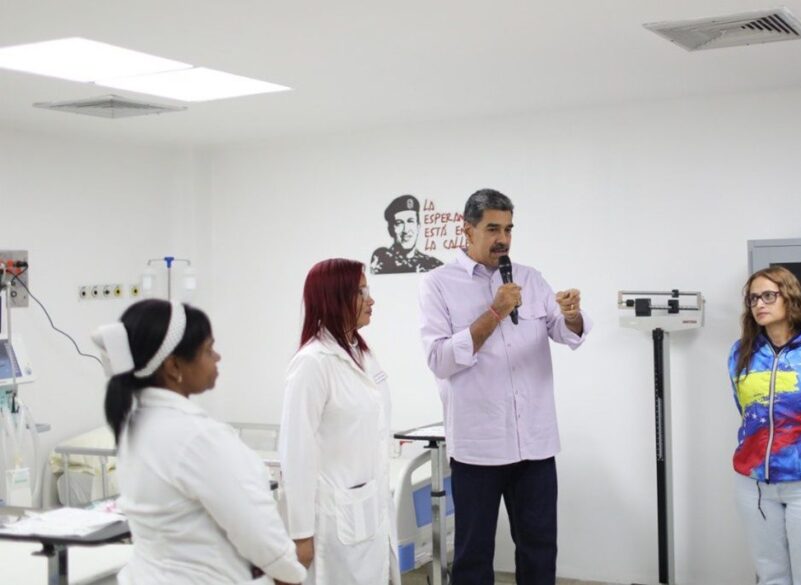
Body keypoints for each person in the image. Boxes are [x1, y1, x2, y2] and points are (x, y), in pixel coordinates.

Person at [418, 188, 592, 585]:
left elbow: (565, 332)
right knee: (473, 556)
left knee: (539, 551)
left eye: (509, 229)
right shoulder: (438, 284)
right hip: (478, 446)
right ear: (468, 230)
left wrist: (572, 314)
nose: (503, 239)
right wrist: (495, 312)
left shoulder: (530, 278)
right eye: (493, 229)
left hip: (534, 443)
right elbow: (440, 359)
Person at [93, 299, 306, 585]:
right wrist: (290, 572)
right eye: (208, 349)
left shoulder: (135, 425)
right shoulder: (195, 437)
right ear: (173, 366)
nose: (217, 357)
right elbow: (255, 526)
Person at [278, 258, 398, 584]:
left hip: (368, 508)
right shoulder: (312, 363)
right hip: (334, 520)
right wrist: (300, 533)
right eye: (361, 292)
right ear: (334, 298)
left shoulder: (362, 353)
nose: (371, 300)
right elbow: (296, 452)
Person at [728, 266, 801, 585]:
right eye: (753, 298)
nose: (759, 304)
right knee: (771, 575)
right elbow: (746, 411)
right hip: (754, 484)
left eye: (768, 296)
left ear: (790, 297)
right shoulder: (741, 353)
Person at [369, 194, 444, 274]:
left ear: (418, 226)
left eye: (410, 221)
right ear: (391, 229)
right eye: (399, 223)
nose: (406, 230)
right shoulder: (381, 259)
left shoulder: (433, 265)